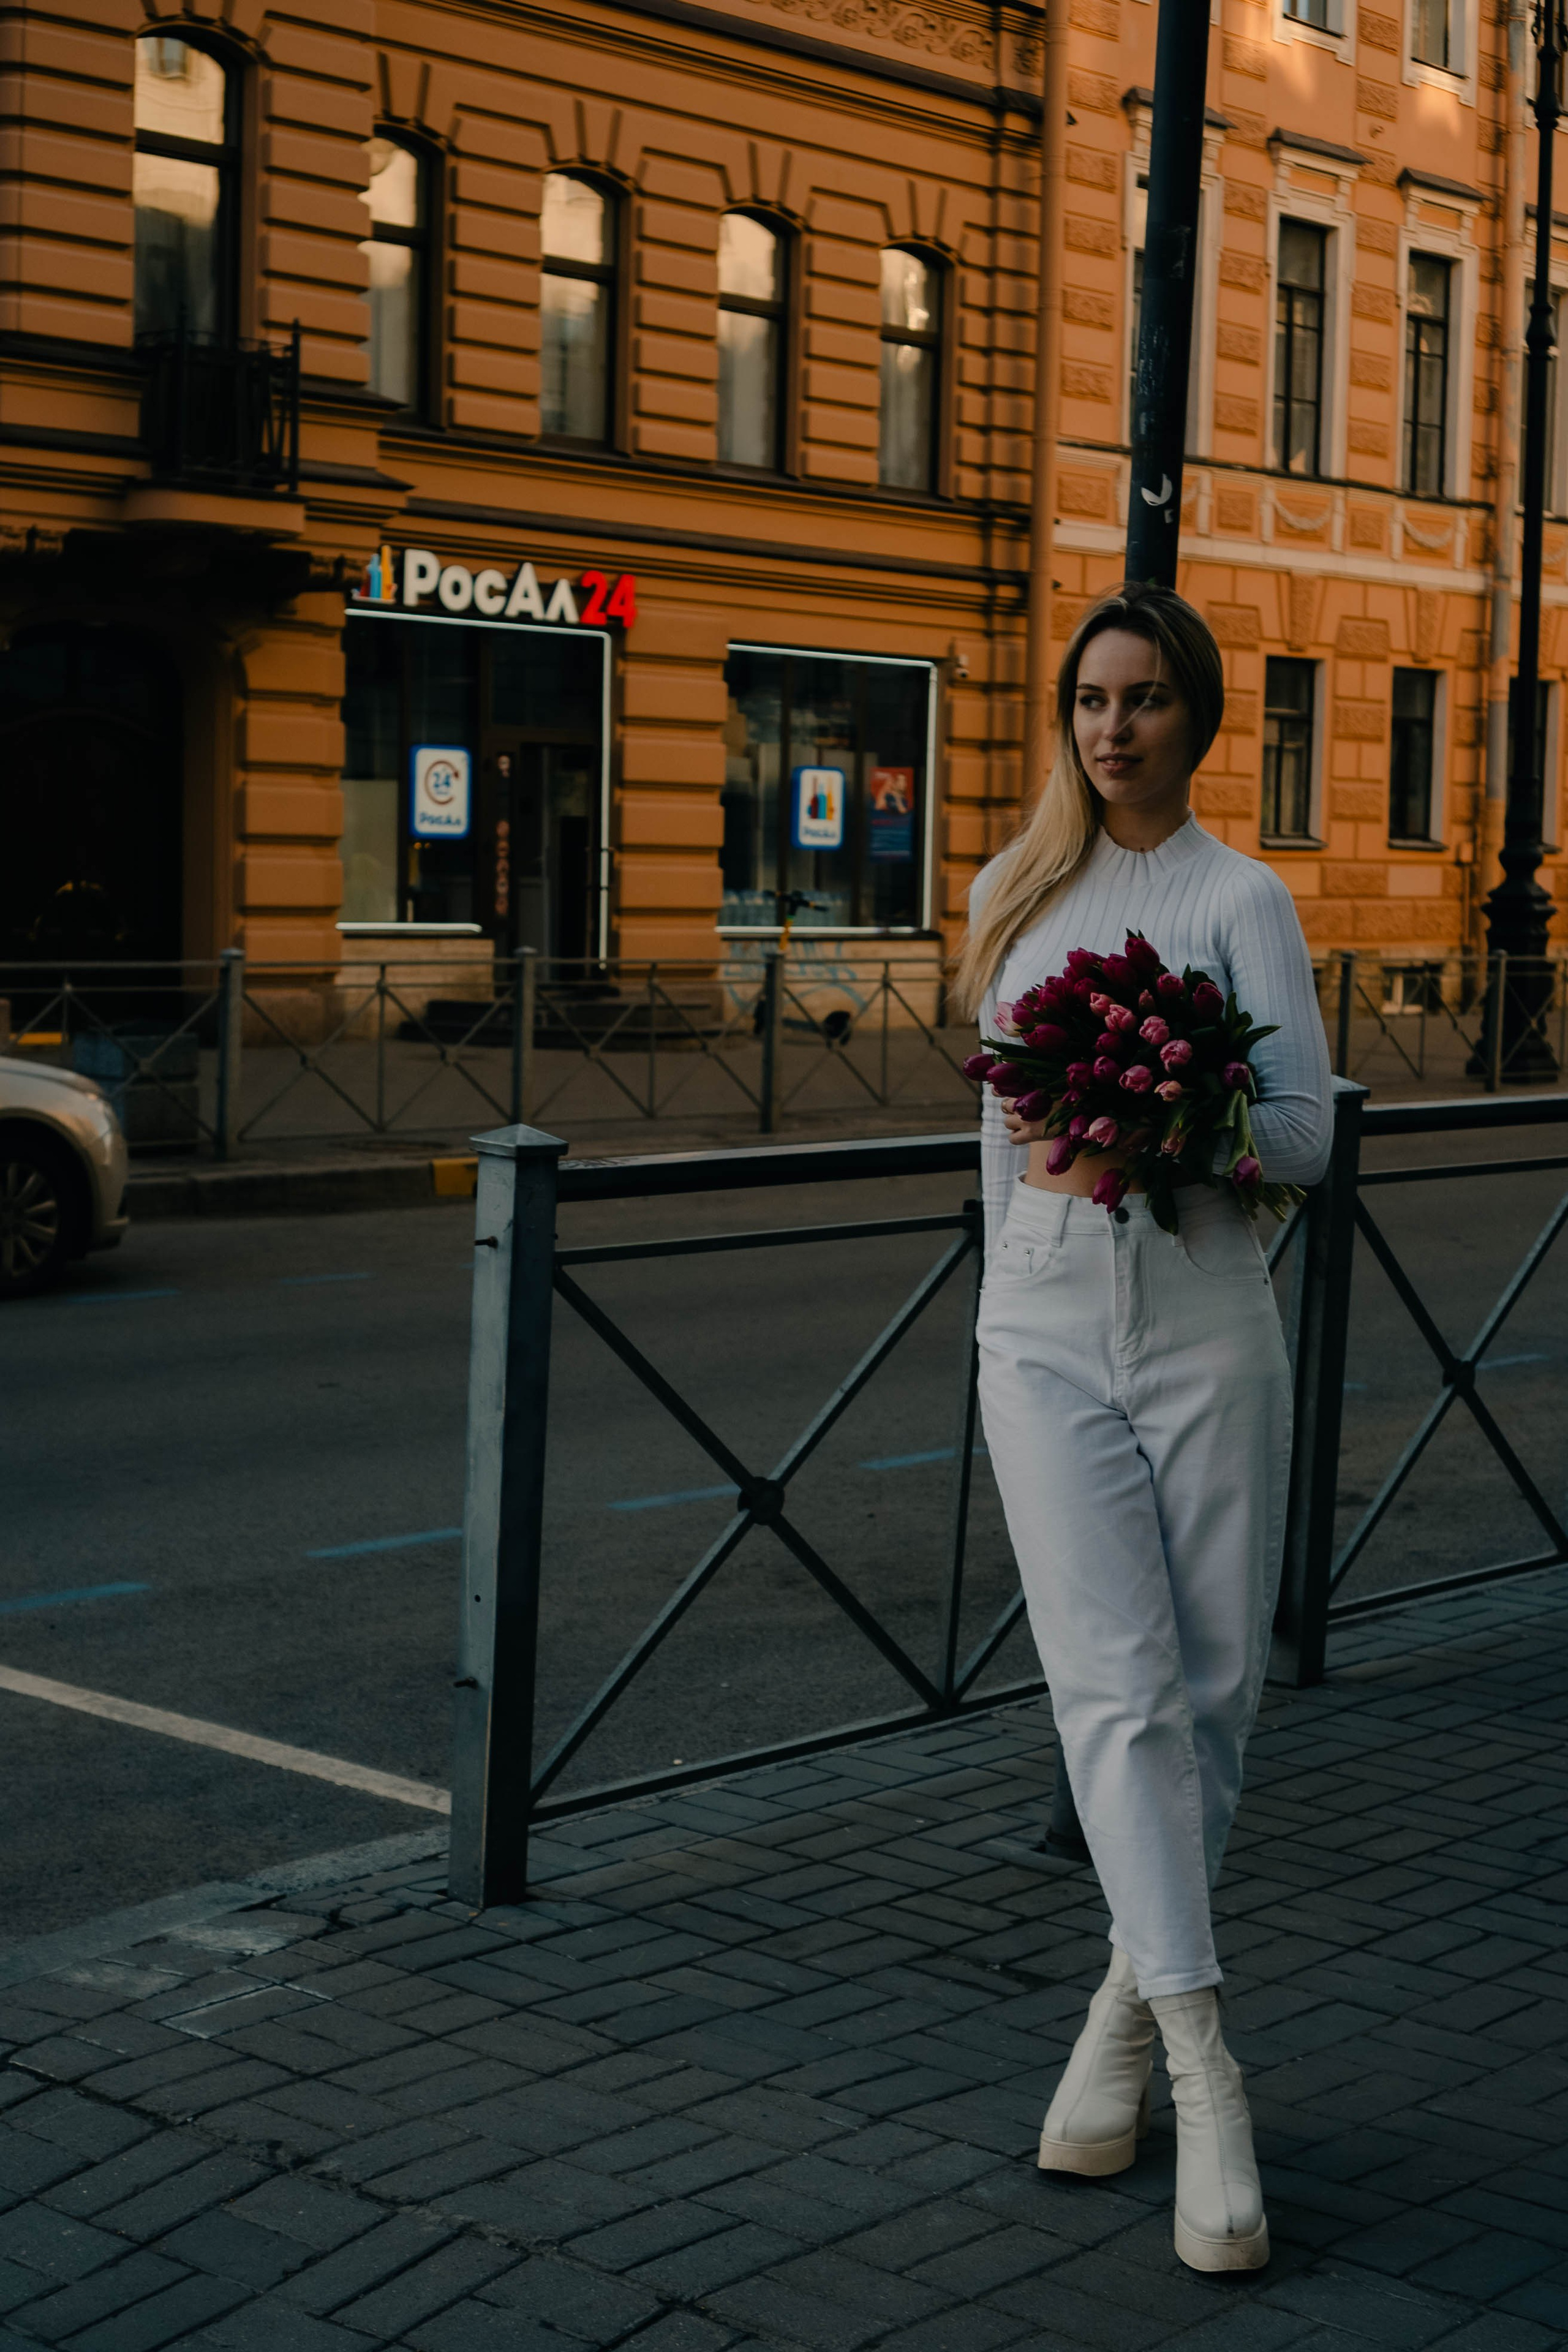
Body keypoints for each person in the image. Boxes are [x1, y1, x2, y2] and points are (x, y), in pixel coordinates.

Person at [955, 582, 1332, 2274]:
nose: (1113, 728)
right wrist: (1002, 1311)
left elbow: (1305, 1137)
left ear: (1198, 717)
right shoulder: (1010, 893)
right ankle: (1206, 2070)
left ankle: (1120, 2018)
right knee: (1112, 1694)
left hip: (1201, 1312)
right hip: (1040, 1324)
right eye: (1092, 700)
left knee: (1214, 1693)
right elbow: (993, 1149)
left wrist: (1167, 1111)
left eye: (1146, 699)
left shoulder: (1241, 897)